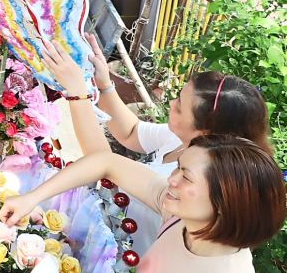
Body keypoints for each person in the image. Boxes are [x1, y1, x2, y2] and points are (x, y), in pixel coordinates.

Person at [0, 134, 284, 273]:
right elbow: (108, 163)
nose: (172, 180)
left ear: (225, 203)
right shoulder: (182, 219)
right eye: (178, 168)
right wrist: (32, 197)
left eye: (187, 177)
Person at [42, 35, 271, 255]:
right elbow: (131, 132)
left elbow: (105, 169)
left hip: (120, 261)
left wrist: (78, 94)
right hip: (100, 228)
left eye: (180, 105)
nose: (171, 103)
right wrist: (104, 85)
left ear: (205, 132)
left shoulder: (193, 180)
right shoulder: (182, 140)